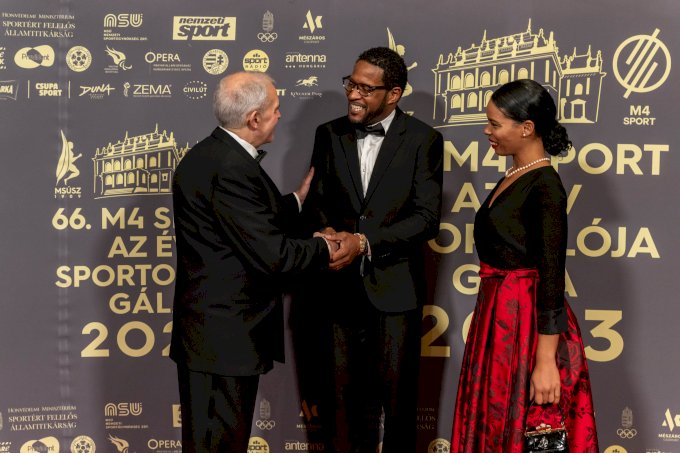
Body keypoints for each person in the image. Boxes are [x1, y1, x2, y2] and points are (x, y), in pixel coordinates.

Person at [170, 71, 337, 453]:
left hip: (215, 337)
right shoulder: (230, 168)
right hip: (223, 339)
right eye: (276, 109)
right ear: (254, 118)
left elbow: (239, 220)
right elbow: (274, 256)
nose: (280, 115)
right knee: (220, 444)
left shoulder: (215, 155)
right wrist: (327, 247)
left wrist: (294, 202)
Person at [301, 46, 444, 452]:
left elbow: (425, 218)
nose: (353, 94)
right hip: (338, 291)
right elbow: (316, 204)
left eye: (365, 88)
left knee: (399, 409)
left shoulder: (424, 140)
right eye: (351, 84)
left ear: (393, 94)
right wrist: (327, 234)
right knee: (341, 407)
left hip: (395, 293)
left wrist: (365, 243)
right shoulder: (328, 134)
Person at [450, 79, 599, 452]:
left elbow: (552, 276)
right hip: (499, 318)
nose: (487, 131)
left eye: (495, 124)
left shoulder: (546, 186)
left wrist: (545, 361)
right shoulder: (515, 175)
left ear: (527, 127)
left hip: (524, 325)